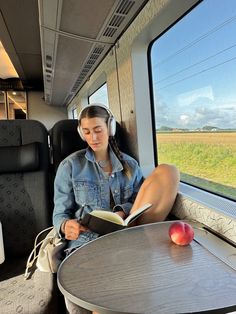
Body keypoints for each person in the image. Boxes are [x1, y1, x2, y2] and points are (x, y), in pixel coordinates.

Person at [53, 103, 180, 314]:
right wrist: (66, 225)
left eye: (98, 130)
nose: (93, 137)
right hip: (87, 243)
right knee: (106, 299)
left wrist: (123, 211)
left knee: (169, 171)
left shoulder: (130, 165)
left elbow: (140, 200)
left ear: (110, 129)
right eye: (86, 132)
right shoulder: (70, 167)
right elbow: (59, 214)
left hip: (124, 237)